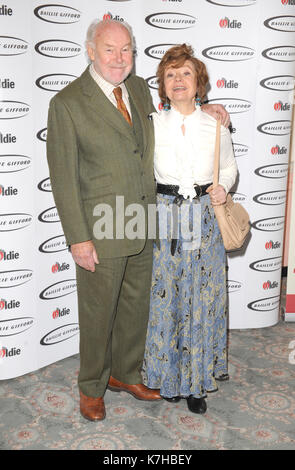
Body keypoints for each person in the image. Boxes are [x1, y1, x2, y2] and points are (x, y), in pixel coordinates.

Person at [46, 19, 230, 421]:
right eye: (110, 49)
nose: (119, 57)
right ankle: (91, 386)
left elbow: (174, 119)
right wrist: (79, 238)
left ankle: (126, 374)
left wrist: (210, 109)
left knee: (135, 307)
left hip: (147, 221)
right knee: (98, 312)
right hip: (102, 224)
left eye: (126, 49)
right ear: (91, 51)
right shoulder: (67, 103)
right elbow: (62, 177)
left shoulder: (138, 88)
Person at [143, 44, 238, 415]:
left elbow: (229, 167)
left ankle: (197, 382)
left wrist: (222, 187)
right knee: (167, 299)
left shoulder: (214, 124)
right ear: (162, 86)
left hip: (204, 217)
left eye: (185, 74)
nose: (178, 80)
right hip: (165, 215)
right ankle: (168, 377)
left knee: (201, 299)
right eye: (170, 75)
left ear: (199, 83)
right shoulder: (151, 124)